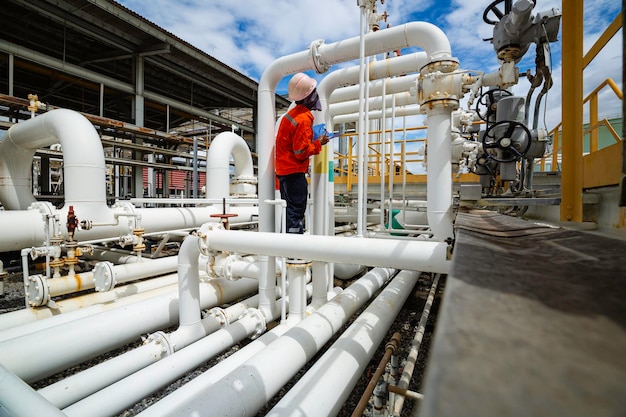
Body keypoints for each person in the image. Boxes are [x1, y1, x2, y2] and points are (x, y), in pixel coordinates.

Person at [275, 72, 330, 234]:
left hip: (284, 172)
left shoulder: (290, 116)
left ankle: (289, 242)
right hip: (294, 173)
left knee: (289, 210)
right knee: (295, 211)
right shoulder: (303, 119)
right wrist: (319, 143)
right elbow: (300, 152)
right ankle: (295, 252)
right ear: (309, 96)